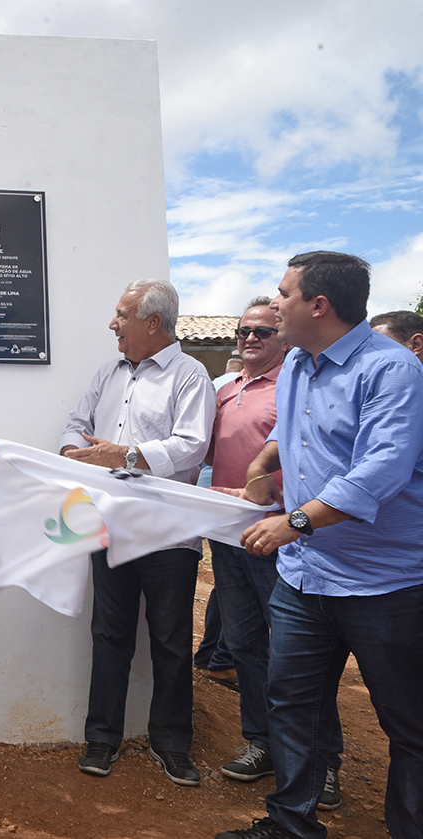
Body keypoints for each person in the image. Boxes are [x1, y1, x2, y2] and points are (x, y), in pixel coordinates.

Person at [215, 252, 423, 839]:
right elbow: (292, 431)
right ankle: (292, 825)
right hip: (307, 577)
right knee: (291, 704)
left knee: (407, 723)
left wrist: (295, 522)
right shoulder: (300, 366)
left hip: (385, 583)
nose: (274, 304)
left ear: (318, 305)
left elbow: (381, 469)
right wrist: (260, 469)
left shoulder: (392, 371)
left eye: (283, 294)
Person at [59, 279, 215, 787]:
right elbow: (75, 423)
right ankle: (102, 738)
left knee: (170, 641)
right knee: (109, 636)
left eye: (121, 315)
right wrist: (71, 455)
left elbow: (192, 446)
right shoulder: (108, 373)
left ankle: (171, 743)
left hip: (169, 533)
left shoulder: (191, 376)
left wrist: (123, 456)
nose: (113, 325)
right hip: (109, 525)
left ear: (153, 322)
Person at [204, 297, 344, 805]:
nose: (249, 339)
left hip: (285, 538)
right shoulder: (226, 389)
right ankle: (262, 745)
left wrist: (278, 499)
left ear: (283, 336)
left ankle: (323, 763)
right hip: (231, 533)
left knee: (298, 657)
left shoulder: (298, 383)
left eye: (262, 331)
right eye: (243, 331)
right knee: (244, 644)